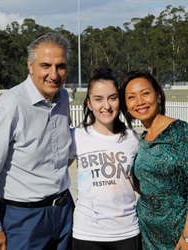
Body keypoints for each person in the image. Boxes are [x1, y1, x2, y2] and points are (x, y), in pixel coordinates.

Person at [0, 32, 75, 250]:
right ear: (30, 66)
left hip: (65, 211)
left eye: (60, 66)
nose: (54, 74)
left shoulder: (63, 99)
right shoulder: (9, 107)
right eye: (46, 65)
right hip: (23, 219)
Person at [120, 70, 188, 250]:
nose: (140, 102)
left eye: (145, 93)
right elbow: (143, 182)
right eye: (131, 97)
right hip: (146, 228)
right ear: (126, 105)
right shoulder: (142, 139)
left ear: (158, 96)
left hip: (179, 229)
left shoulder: (181, 131)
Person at [69, 67, 142, 250]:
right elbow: (53, 172)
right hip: (87, 233)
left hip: (126, 231)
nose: (106, 106)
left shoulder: (132, 139)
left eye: (112, 98)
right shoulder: (76, 136)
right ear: (89, 103)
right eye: (98, 99)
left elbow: (140, 183)